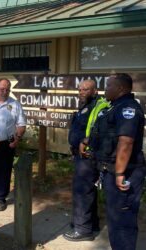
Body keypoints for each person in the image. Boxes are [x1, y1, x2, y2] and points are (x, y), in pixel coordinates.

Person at [84, 73, 146, 250]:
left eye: (109, 86)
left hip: (126, 172)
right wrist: (88, 141)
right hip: (111, 170)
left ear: (120, 88)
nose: (105, 89)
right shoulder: (114, 107)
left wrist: (119, 173)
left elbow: (126, 142)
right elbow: (108, 134)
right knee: (114, 218)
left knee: (122, 221)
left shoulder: (128, 108)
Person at [63, 79, 105, 241]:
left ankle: (83, 230)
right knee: (88, 191)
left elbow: (99, 130)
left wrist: (85, 142)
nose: (81, 92)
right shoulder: (85, 105)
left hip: (88, 156)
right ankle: (91, 224)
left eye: (85, 90)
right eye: (80, 89)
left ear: (95, 91)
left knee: (82, 191)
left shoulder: (98, 107)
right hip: (80, 155)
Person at [0, 78, 26, 211]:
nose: (4, 91)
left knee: (4, 171)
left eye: (7, 89)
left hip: (6, 144)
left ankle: (0, 198)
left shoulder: (15, 104)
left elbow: (21, 124)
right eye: (2, 88)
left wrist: (18, 138)